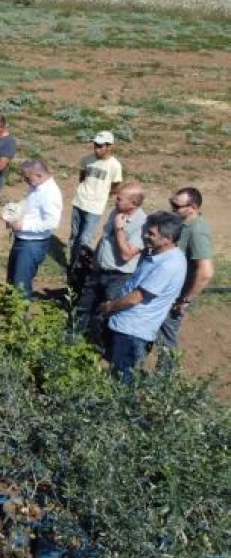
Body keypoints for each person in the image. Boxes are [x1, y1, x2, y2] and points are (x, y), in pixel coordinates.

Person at [100, 211, 187, 383]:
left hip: (133, 329)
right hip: (126, 324)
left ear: (167, 239)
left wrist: (109, 307)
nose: (146, 235)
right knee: (118, 372)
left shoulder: (168, 265)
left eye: (152, 234)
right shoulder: (158, 254)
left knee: (123, 379)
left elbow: (136, 297)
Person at [72, 182, 146, 345]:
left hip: (119, 276)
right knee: (84, 306)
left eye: (119, 199)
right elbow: (105, 238)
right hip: (99, 270)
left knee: (106, 311)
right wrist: (95, 260)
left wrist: (119, 229)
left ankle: (98, 347)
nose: (115, 201)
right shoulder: (116, 212)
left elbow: (127, 255)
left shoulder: (142, 224)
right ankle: (74, 340)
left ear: (133, 203)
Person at [157, 187, 215, 355]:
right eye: (171, 203)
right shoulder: (181, 223)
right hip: (164, 291)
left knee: (166, 339)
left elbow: (206, 272)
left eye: (176, 206)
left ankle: (164, 377)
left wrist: (185, 300)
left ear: (193, 208)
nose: (172, 208)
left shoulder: (197, 230)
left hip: (175, 298)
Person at [5, 160, 63, 297]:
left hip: (32, 245)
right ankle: (9, 310)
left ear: (38, 174)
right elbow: (31, 206)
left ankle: (19, 315)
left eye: (26, 176)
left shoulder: (50, 194)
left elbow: (51, 223)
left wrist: (23, 226)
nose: (24, 180)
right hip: (23, 240)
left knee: (21, 284)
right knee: (13, 278)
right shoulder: (36, 186)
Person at [69, 131, 123, 275]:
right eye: (95, 145)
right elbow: (82, 177)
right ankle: (71, 264)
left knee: (85, 239)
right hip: (80, 201)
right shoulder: (87, 159)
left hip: (95, 207)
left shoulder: (114, 166)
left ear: (109, 147)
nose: (96, 149)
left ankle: (79, 269)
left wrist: (102, 194)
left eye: (100, 146)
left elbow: (116, 185)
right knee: (74, 236)